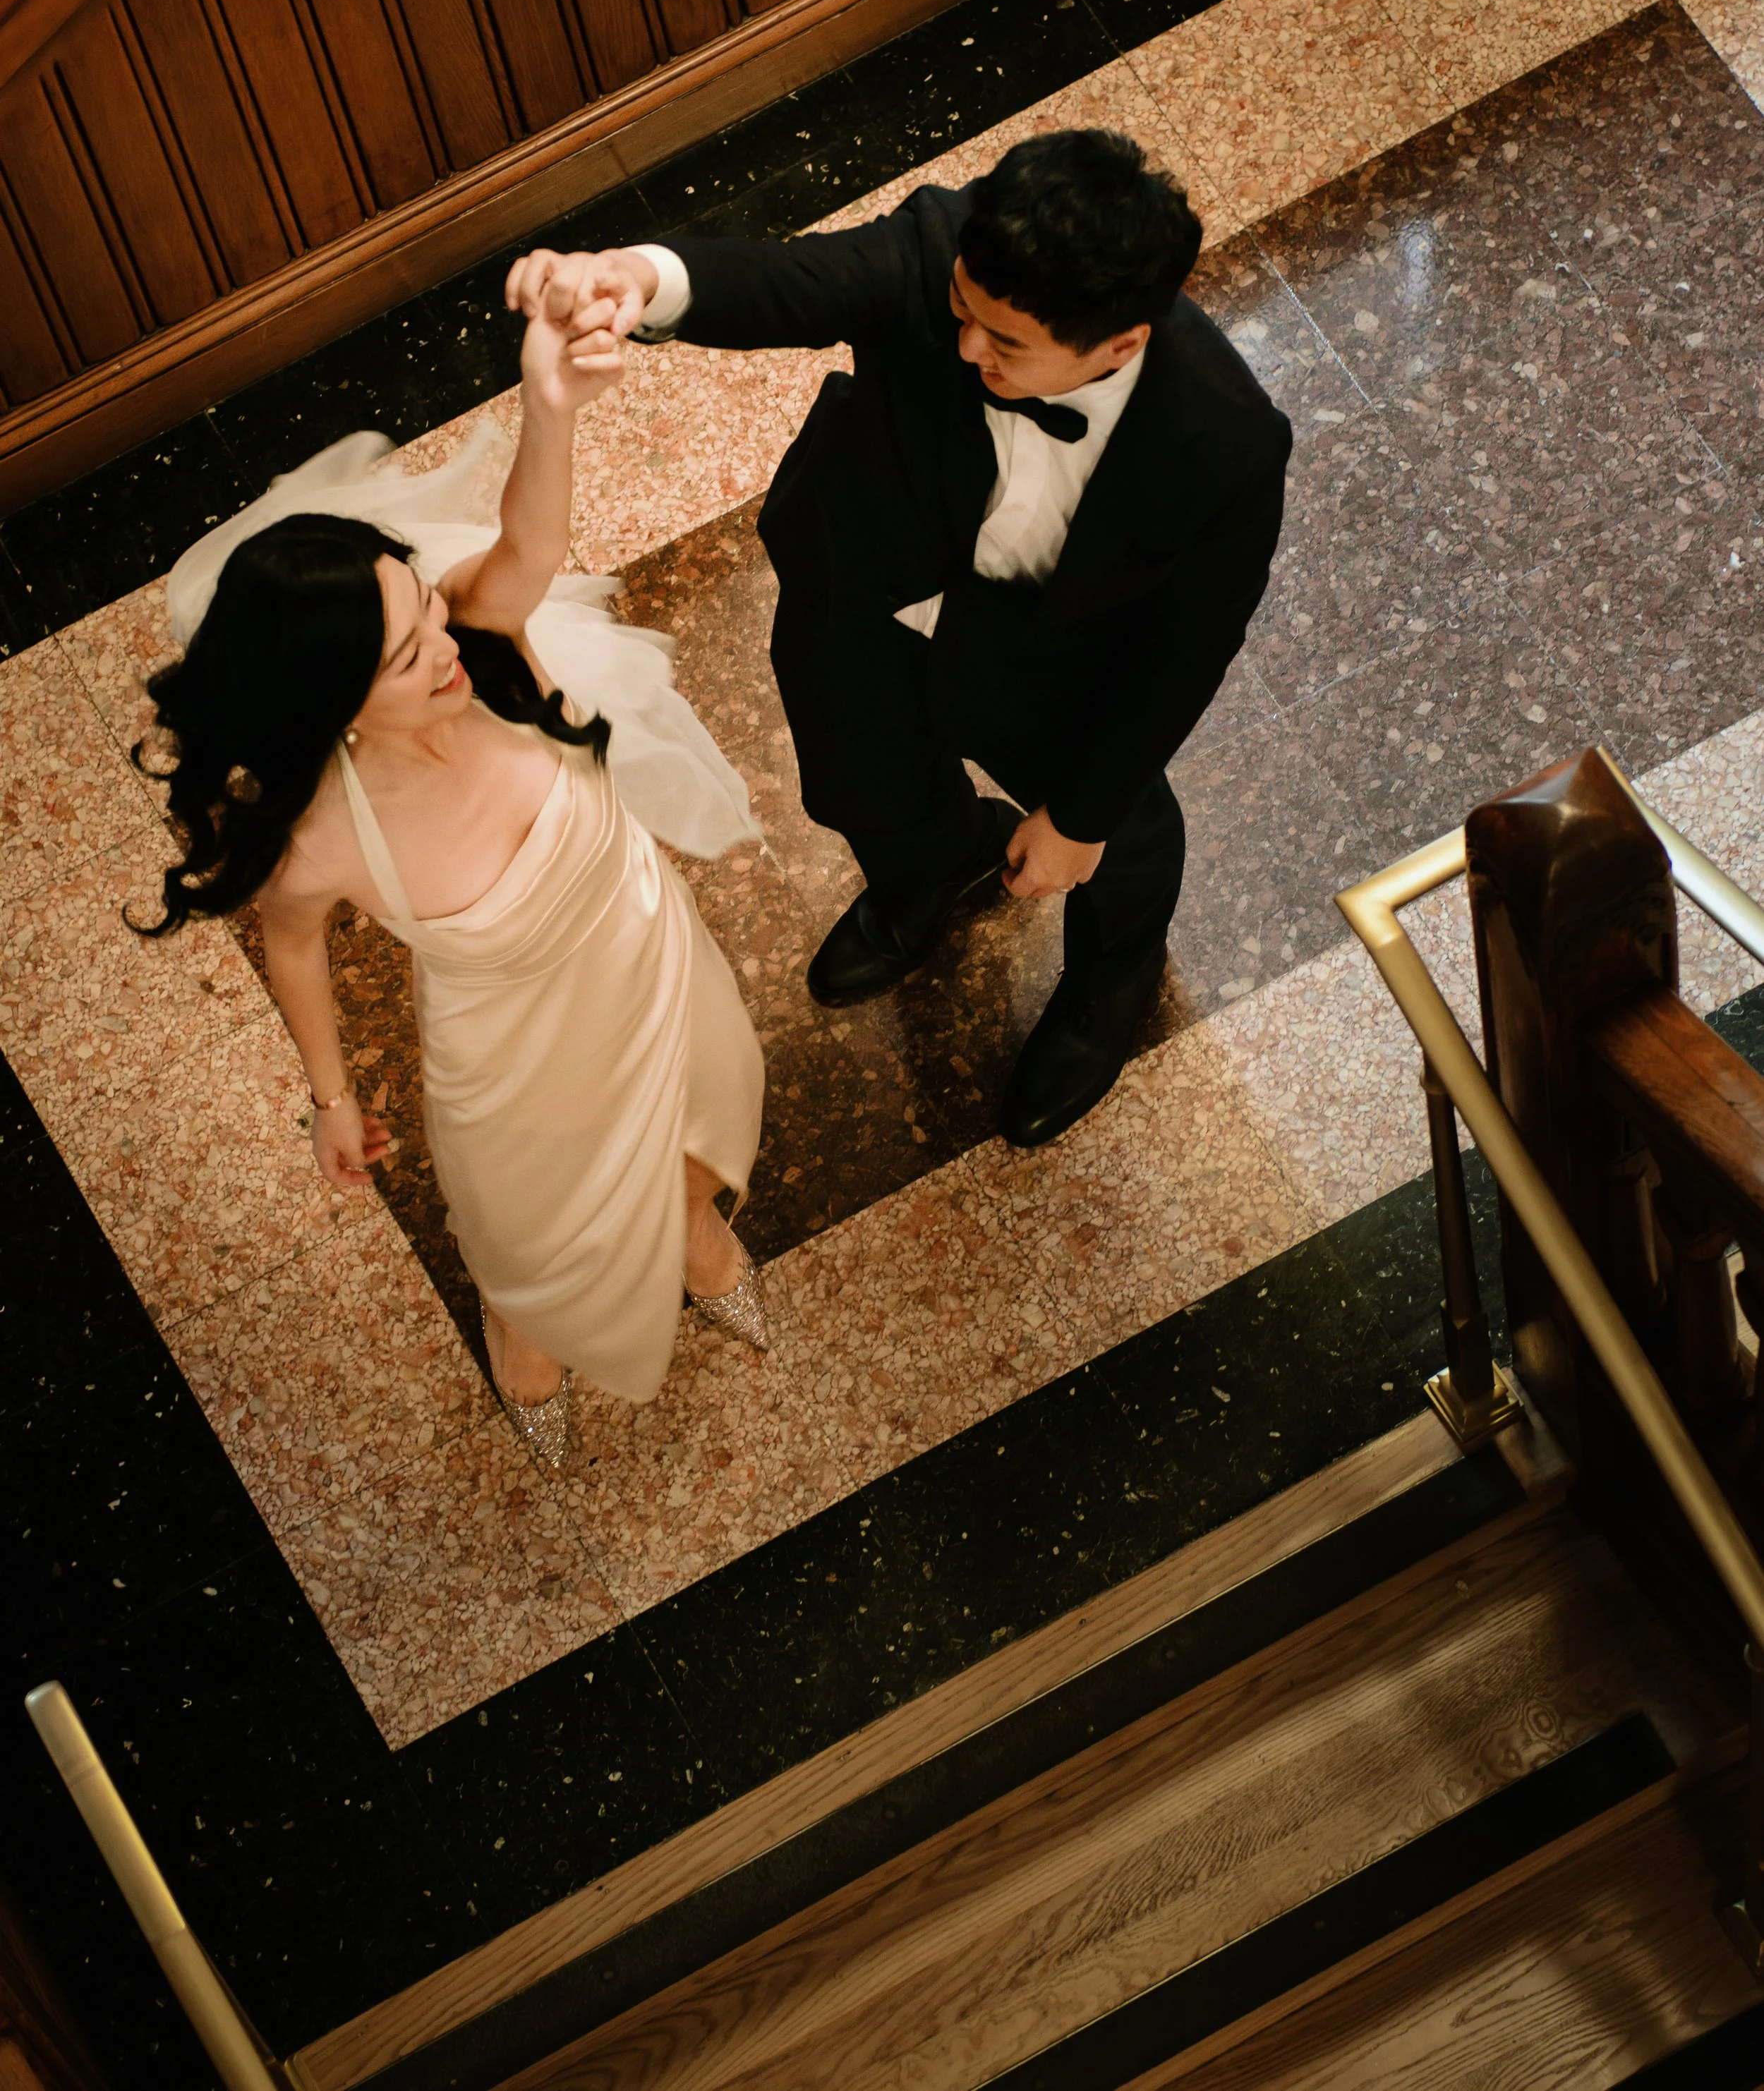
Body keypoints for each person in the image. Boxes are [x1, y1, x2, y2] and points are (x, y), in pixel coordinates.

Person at [505, 126, 1291, 1149]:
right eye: (962, 315)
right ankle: (930, 876)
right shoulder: (943, 252)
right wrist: (636, 279)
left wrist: (1078, 819)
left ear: (1121, 343)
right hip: (869, 580)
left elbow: (1189, 646)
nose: (966, 347)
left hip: (1057, 657)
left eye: (1005, 344)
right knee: (857, 779)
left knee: (1119, 838)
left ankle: (1115, 981)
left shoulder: (1226, 440)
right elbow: (794, 280)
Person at [132, 308, 768, 1471]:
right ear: (331, 705)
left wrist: (550, 405)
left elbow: (528, 540)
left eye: (422, 605)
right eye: (404, 651)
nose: (445, 644)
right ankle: (520, 1317)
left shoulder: (475, 634)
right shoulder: (317, 836)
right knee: (528, 1221)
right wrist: (332, 1097)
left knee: (687, 1124)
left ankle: (686, 1223)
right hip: (509, 1051)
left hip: (642, 952)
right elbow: (294, 948)